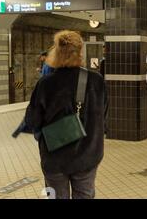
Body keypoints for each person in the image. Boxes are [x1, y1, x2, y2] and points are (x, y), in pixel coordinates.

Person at [25, 30, 108, 199]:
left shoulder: (45, 83)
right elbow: (103, 115)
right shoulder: (96, 80)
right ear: (80, 52)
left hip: (54, 156)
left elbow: (32, 121)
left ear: (56, 52)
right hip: (88, 154)